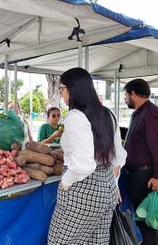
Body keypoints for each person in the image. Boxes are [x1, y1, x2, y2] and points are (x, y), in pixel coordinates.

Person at [47, 68, 127, 245]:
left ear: (73, 89)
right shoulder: (108, 114)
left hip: (83, 188)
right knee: (97, 242)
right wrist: (113, 185)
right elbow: (118, 157)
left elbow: (83, 164)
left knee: (59, 241)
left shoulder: (75, 116)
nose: (61, 93)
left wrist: (66, 181)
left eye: (62, 88)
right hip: (107, 188)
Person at [123, 78, 158, 245]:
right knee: (153, 220)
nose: (125, 98)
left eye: (126, 95)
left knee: (147, 221)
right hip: (142, 174)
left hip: (147, 175)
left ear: (133, 94)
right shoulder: (142, 112)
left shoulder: (150, 114)